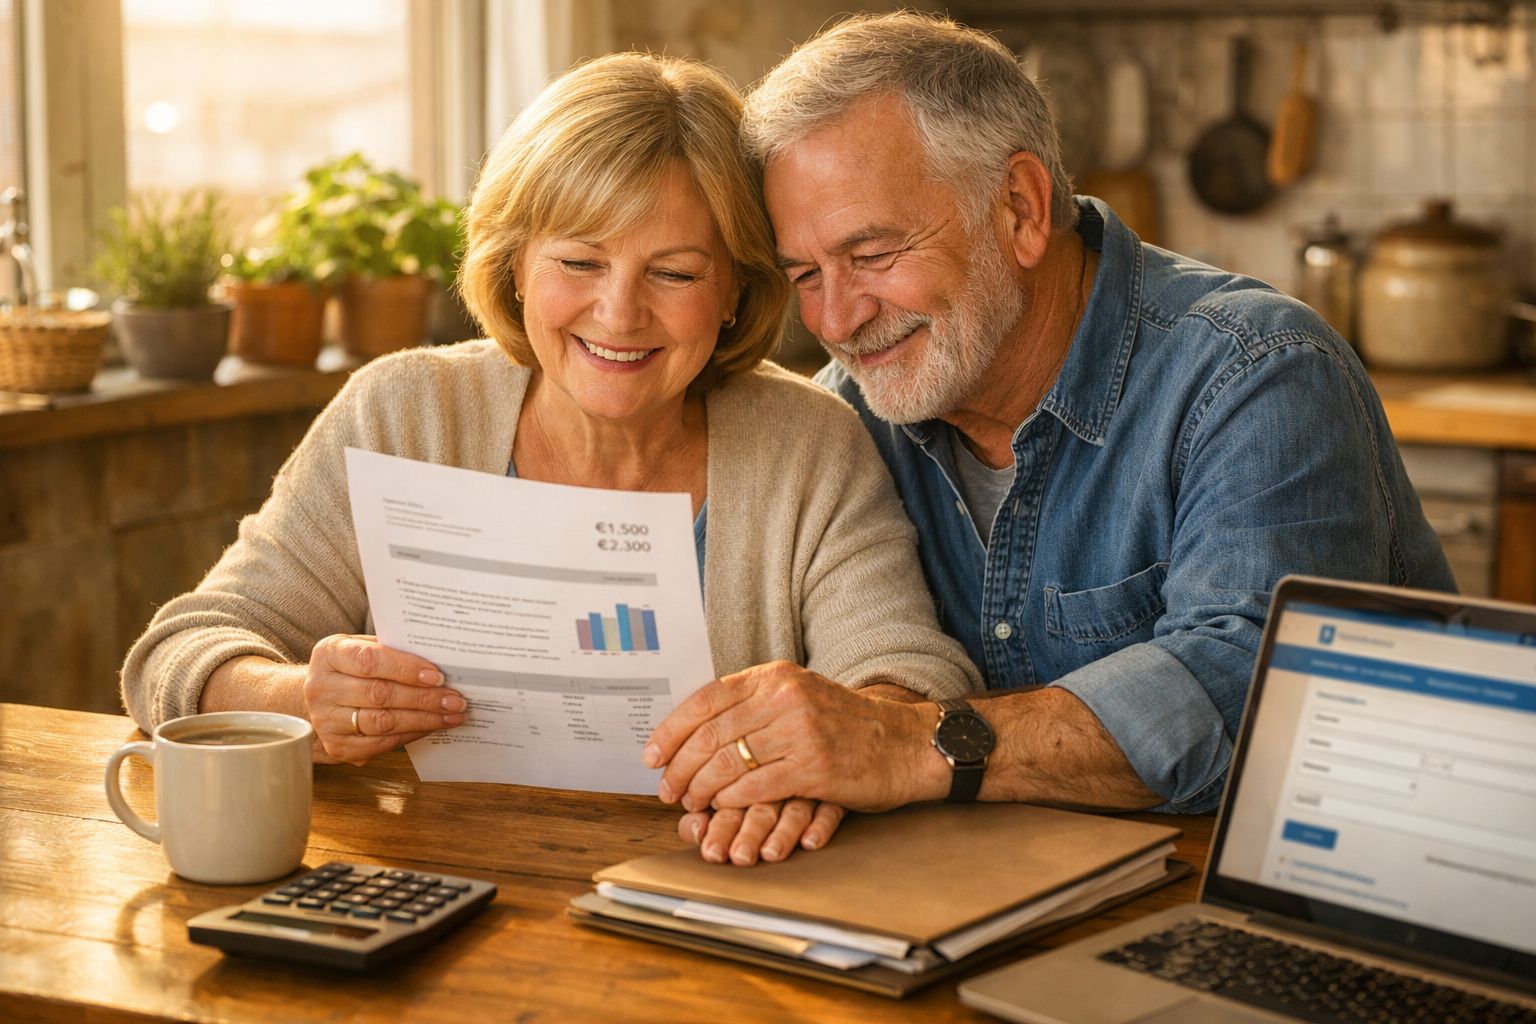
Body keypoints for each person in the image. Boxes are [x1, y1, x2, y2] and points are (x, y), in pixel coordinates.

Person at [120, 51, 980, 866]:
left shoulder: (810, 440)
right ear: (517, 267)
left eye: (674, 274)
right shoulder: (404, 411)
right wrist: (298, 699)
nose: (619, 313)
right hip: (436, 880)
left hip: (717, 899)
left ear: (734, 293)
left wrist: (834, 744)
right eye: (578, 260)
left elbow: (909, 679)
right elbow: (179, 652)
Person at [646, 12, 1454, 841]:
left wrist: (903, 744)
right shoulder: (847, 418)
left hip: (1319, 908)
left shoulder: (1257, 372)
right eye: (805, 275)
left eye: (874, 255)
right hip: (1005, 906)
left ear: (1022, 209)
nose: (839, 318)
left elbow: (1254, 688)